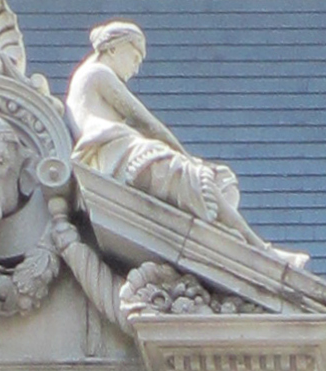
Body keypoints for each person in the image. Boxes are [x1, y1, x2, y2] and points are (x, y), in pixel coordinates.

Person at [65, 20, 242, 224]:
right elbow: (148, 124)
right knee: (212, 179)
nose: (136, 68)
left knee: (217, 180)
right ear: (113, 49)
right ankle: (242, 241)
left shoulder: (83, 78)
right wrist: (187, 158)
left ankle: (231, 235)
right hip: (119, 153)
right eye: (134, 58)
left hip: (113, 153)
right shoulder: (98, 73)